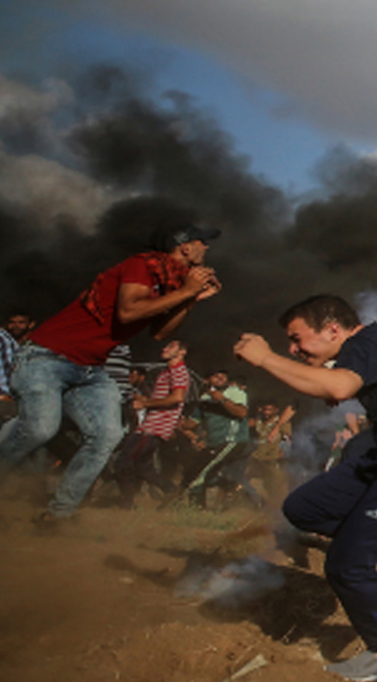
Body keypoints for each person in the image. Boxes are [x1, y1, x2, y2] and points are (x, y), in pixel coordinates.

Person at [235, 294, 377, 681]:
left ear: (332, 329)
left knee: (347, 564)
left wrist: (264, 358)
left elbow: (340, 387)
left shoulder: (370, 342)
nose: (292, 349)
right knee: (304, 508)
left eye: (296, 339)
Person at [0, 223, 222, 522]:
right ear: (184, 246)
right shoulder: (142, 265)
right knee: (41, 429)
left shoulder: (171, 284)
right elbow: (128, 312)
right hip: (47, 357)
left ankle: (59, 515)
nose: (206, 247)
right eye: (202, 242)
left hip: (91, 368)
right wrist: (186, 291)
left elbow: (159, 333)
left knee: (107, 436)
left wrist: (190, 298)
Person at [113, 339, 193, 505]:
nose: (164, 348)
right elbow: (162, 398)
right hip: (151, 426)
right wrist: (143, 399)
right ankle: (172, 492)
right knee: (143, 467)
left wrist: (146, 404)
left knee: (124, 462)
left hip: (153, 428)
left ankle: (126, 504)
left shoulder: (178, 371)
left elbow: (177, 397)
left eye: (171, 346)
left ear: (182, 352)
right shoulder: (167, 372)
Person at [183, 369, 254, 508]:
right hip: (213, 443)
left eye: (223, 375)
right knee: (201, 474)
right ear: (206, 380)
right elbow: (193, 422)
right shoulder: (204, 398)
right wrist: (180, 424)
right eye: (215, 375)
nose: (220, 377)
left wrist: (222, 399)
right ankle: (234, 487)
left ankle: (197, 509)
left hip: (232, 440)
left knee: (200, 472)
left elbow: (242, 413)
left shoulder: (235, 392)